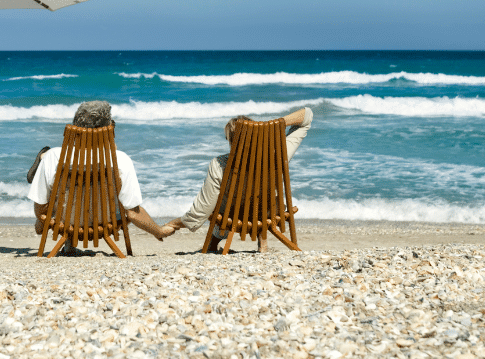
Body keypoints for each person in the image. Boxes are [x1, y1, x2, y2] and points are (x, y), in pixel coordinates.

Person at [161, 107, 312, 250]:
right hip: (266, 214)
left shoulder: (219, 164)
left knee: (220, 203)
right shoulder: (276, 154)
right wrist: (270, 126)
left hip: (232, 218)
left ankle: (215, 239)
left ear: (231, 140)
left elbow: (201, 212)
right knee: (260, 200)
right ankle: (262, 238)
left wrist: (173, 224)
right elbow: (307, 116)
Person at [26, 101, 169, 250]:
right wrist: (159, 231)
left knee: (53, 196)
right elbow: (133, 213)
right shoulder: (120, 159)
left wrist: (42, 222)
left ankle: (42, 156)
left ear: (75, 127)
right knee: (116, 197)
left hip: (65, 222)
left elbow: (40, 209)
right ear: (109, 129)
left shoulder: (55, 156)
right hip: (105, 222)